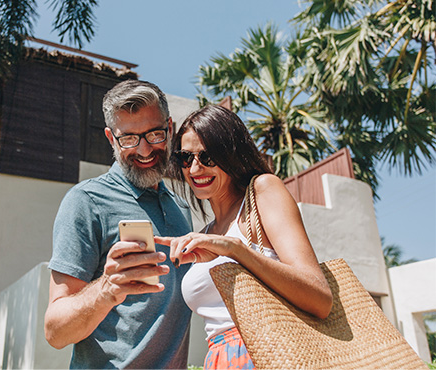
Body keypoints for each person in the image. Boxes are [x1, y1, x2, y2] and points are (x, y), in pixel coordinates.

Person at [155, 105, 333, 370]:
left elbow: (320, 298)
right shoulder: (206, 234)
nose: (195, 168)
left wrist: (237, 250)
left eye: (207, 157)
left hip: (272, 353)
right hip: (220, 359)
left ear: (231, 153)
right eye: (185, 157)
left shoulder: (263, 190)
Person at [44, 80, 194, 369]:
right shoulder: (86, 201)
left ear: (170, 128)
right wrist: (107, 289)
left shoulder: (182, 209)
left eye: (154, 134)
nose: (145, 149)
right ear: (111, 139)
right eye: (129, 138)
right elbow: (55, 332)